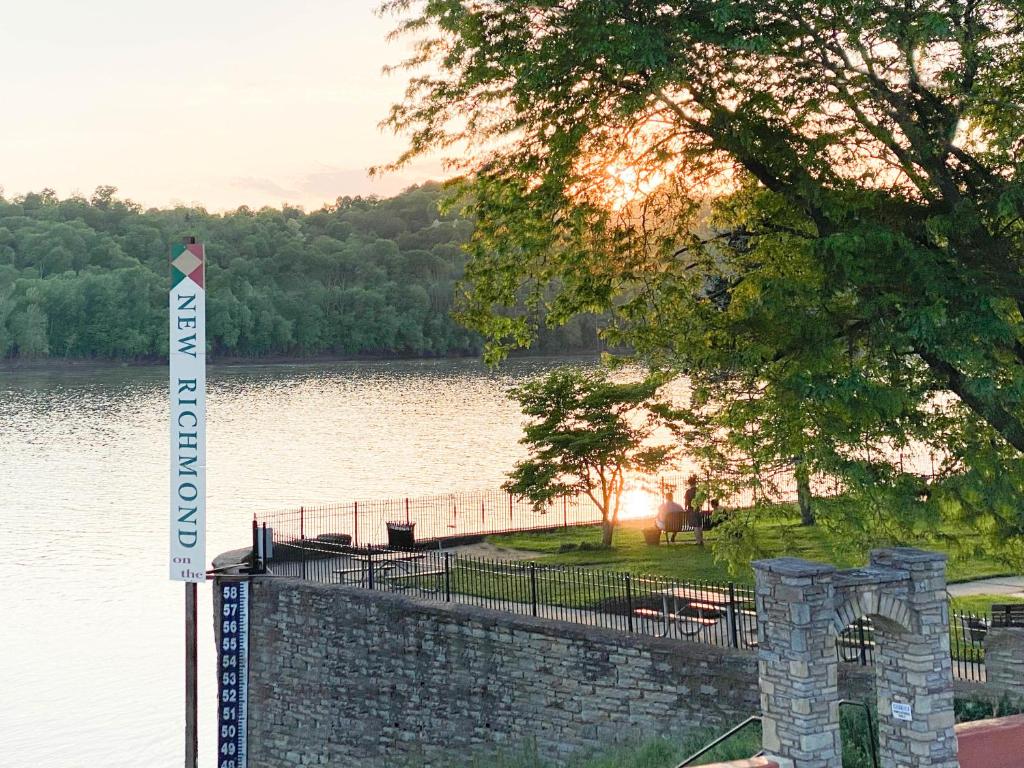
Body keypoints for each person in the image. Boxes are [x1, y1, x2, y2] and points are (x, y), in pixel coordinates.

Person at [683, 474, 704, 545]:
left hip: (691, 510)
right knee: (699, 525)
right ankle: (701, 540)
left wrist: (685, 507)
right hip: (698, 509)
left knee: (695, 526)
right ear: (695, 483)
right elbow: (702, 501)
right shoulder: (699, 491)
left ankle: (698, 541)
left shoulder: (688, 492)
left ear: (689, 483)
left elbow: (686, 502)